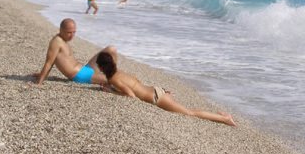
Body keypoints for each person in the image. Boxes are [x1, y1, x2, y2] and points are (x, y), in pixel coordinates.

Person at [96, 51, 236, 126]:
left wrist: (111, 91)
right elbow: (136, 83)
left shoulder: (113, 79)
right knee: (189, 111)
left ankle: (224, 118)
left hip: (157, 98)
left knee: (190, 113)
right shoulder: (120, 72)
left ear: (101, 67)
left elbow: (131, 95)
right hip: (157, 90)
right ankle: (222, 117)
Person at [32, 18, 115, 85]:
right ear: (60, 30)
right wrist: (39, 82)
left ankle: (111, 72)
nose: (72, 36)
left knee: (111, 49)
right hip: (79, 76)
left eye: (74, 32)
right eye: (69, 32)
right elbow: (49, 63)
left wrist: (41, 74)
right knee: (113, 78)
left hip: (85, 69)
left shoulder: (63, 40)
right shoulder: (56, 42)